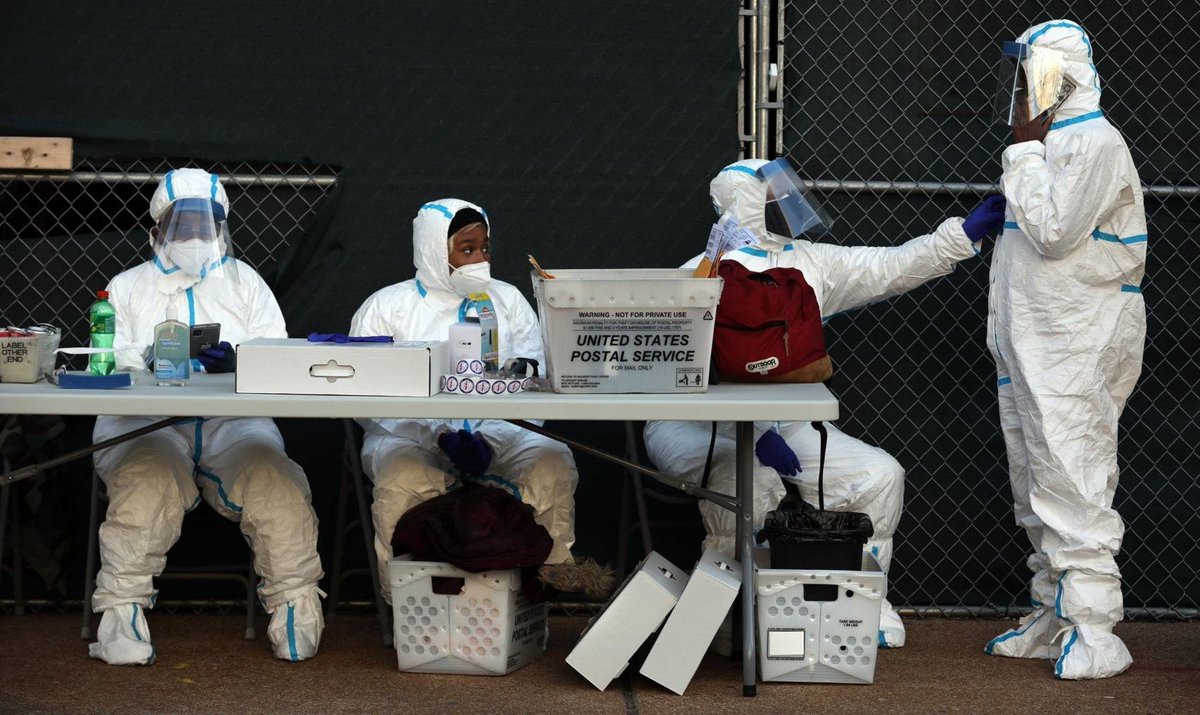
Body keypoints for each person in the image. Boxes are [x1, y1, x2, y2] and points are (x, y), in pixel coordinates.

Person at [644, 158, 1005, 649]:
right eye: (773, 195)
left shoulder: (809, 264)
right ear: (745, 202)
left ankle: (859, 605)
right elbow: (675, 374)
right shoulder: (698, 276)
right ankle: (730, 613)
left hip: (787, 425)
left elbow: (889, 267)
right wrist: (749, 425)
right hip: (695, 425)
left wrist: (959, 236)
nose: (787, 202)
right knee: (749, 481)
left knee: (877, 476)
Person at [89, 169, 324, 665]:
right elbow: (107, 359)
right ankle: (120, 616)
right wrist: (146, 358)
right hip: (144, 423)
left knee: (275, 483)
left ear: (221, 227)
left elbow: (277, 353)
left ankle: (296, 612)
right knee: (147, 484)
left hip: (231, 422)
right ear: (158, 226)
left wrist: (240, 361)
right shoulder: (127, 288)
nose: (194, 236)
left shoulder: (246, 284)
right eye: (183, 224)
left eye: (205, 225)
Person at [984, 20, 1146, 680]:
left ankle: (1094, 627)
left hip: (1076, 337)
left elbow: (1054, 234)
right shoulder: (1052, 142)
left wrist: (1023, 152)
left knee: (1073, 471)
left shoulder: (1094, 142)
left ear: (1062, 77)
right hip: (1036, 338)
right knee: (1037, 475)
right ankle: (1055, 610)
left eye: (1033, 73)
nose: (1023, 87)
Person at [350, 199, 589, 602]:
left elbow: (534, 381)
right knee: (402, 480)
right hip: (410, 439)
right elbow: (367, 398)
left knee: (551, 462)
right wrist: (438, 435)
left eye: (484, 248)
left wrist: (491, 440)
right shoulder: (386, 308)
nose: (480, 260)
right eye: (467, 249)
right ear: (433, 250)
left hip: (504, 435)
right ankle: (410, 603)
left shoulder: (507, 301)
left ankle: (538, 593)